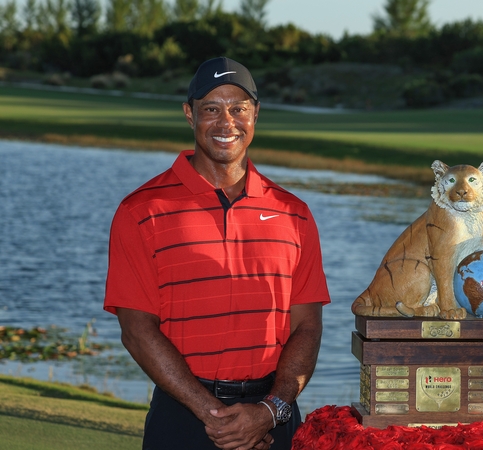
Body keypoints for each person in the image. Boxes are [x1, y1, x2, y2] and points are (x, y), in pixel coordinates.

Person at [104, 57, 330, 450]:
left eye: (238, 108)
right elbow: (137, 331)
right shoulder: (140, 211)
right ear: (189, 114)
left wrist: (267, 412)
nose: (227, 122)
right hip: (184, 415)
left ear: (255, 114)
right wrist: (216, 418)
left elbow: (307, 327)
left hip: (274, 415)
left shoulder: (294, 214)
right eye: (211, 108)